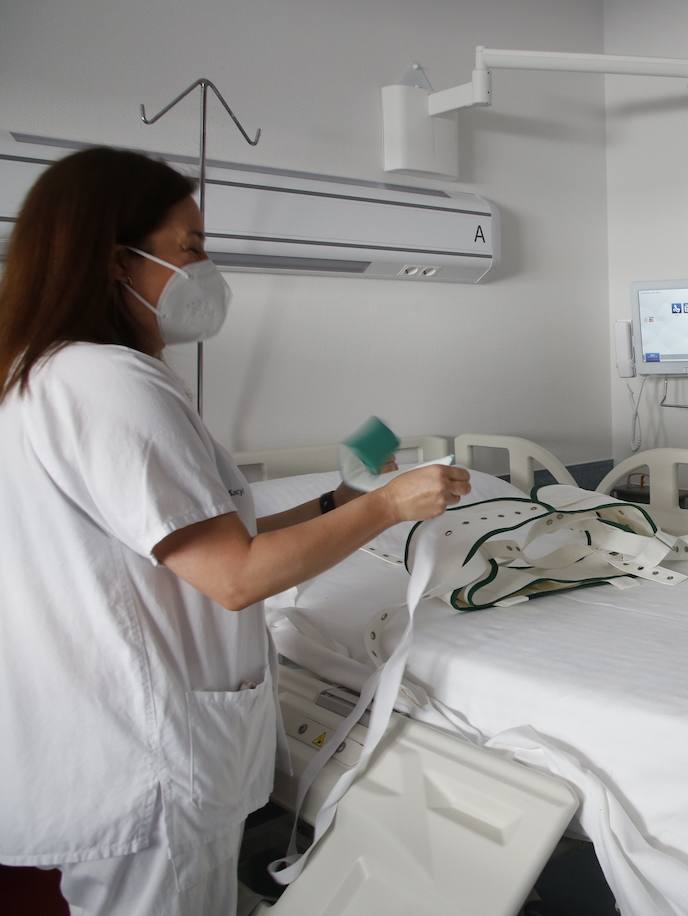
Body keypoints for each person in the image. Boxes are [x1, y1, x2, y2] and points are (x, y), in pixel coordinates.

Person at [0, 147, 471, 915]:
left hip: (103, 741)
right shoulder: (111, 382)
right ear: (116, 260)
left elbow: (200, 535)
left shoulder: (43, 374)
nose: (206, 267)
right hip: (146, 758)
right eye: (190, 247)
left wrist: (343, 498)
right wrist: (388, 509)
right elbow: (236, 575)